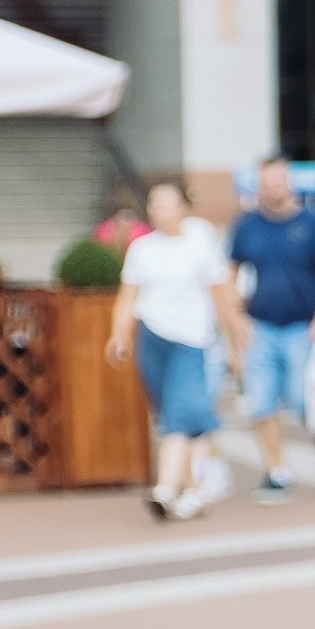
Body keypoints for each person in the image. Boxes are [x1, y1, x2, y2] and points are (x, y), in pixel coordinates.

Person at [107, 183, 250, 520]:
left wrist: (234, 344)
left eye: (166, 204)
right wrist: (119, 335)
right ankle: (193, 490)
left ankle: (165, 489)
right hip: (154, 337)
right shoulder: (142, 248)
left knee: (178, 415)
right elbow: (128, 296)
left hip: (191, 339)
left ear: (183, 207)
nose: (159, 210)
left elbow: (222, 297)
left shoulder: (200, 242)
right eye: (154, 204)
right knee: (170, 417)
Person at [227, 159, 315, 503]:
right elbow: (229, 274)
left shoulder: (314, 224)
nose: (272, 189)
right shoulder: (247, 226)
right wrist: (236, 319)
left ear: (289, 184)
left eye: (277, 182)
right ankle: (276, 471)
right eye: (265, 183)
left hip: (302, 327)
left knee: (306, 401)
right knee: (261, 402)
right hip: (262, 326)